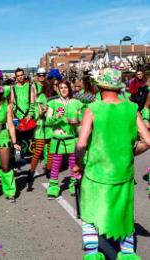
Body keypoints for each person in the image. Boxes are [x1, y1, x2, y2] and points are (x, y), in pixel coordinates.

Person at [74, 68, 150, 260]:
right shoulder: (131, 108)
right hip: (123, 173)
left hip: (96, 173)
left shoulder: (93, 109)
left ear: (99, 86)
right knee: (123, 214)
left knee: (90, 213)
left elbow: (81, 143)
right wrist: (132, 152)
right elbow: (147, 140)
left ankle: (93, 254)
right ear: (118, 86)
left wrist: (78, 163)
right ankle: (127, 254)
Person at [45, 80, 83, 198]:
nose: (63, 90)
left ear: (69, 88)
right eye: (61, 88)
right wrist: (57, 116)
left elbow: (81, 121)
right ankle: (53, 187)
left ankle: (74, 184)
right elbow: (48, 121)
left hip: (71, 138)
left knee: (73, 164)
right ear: (58, 89)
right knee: (56, 165)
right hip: (58, 139)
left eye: (65, 87)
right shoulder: (53, 103)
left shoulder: (77, 103)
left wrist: (76, 122)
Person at [27, 79, 56, 190]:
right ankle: (31, 172)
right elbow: (38, 112)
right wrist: (42, 111)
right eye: (48, 85)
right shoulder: (40, 97)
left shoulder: (55, 96)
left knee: (50, 151)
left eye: (51, 85)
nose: (50, 86)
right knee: (38, 151)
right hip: (41, 127)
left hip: (50, 127)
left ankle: (48, 170)